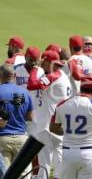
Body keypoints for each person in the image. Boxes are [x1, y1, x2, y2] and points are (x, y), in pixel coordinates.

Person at [27, 50, 72, 179]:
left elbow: (31, 85)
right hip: (59, 125)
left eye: (43, 63)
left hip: (48, 126)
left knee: (44, 164)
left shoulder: (54, 76)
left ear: (47, 62)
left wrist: (35, 67)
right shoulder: (63, 75)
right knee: (59, 161)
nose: (42, 66)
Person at [0, 63, 33, 178]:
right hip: (21, 138)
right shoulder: (24, 92)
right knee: (23, 175)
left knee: (5, 175)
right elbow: (30, 117)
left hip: (2, 140)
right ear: (14, 76)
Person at [14, 46, 43, 176]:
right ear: (26, 57)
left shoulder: (41, 71)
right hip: (19, 114)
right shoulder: (17, 70)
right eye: (31, 60)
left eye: (35, 60)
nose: (33, 63)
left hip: (36, 114)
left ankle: (35, 175)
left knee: (34, 147)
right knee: (20, 147)